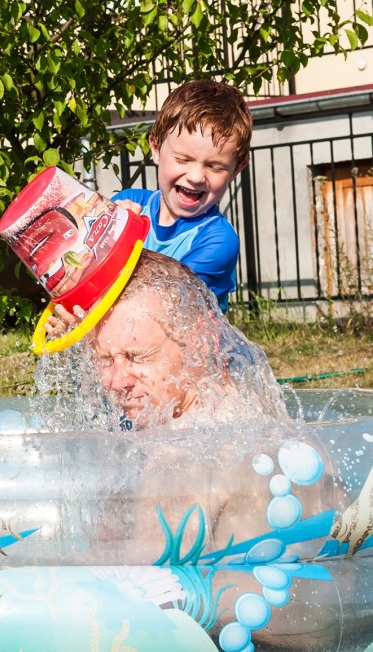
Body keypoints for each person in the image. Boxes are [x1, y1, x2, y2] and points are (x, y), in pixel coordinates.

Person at [46, 249, 287, 430]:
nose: (117, 382)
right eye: (105, 360)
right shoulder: (172, 423)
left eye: (136, 356)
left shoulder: (216, 444)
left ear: (200, 343)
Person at [113, 79, 252, 312]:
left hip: (188, 345)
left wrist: (120, 241)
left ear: (236, 170)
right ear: (156, 149)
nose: (197, 176)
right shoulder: (131, 202)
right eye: (182, 159)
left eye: (215, 167)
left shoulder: (217, 240)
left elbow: (165, 301)